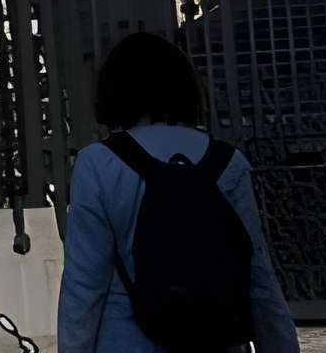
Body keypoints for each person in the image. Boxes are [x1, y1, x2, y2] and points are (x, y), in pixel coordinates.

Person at [57, 33, 298, 353]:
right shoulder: (228, 162)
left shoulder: (98, 163)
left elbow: (84, 286)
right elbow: (259, 276)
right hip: (215, 339)